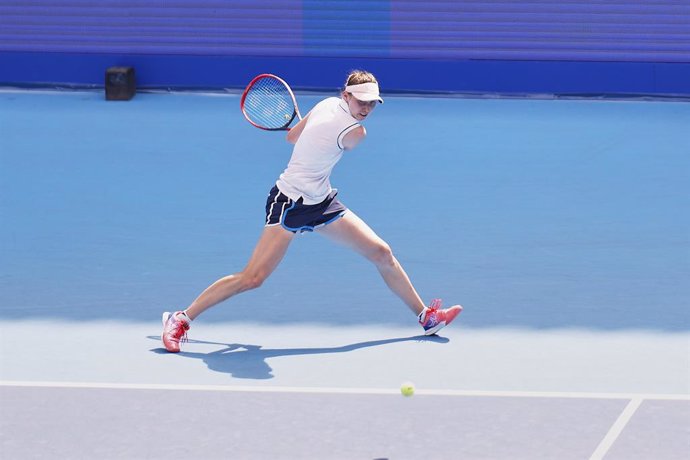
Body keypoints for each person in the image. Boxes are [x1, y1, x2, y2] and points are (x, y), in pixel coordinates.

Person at [161, 70, 462, 353]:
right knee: (252, 278)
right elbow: (319, 138)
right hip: (289, 203)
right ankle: (180, 319)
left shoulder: (326, 104)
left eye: (372, 103)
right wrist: (320, 133)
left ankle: (426, 317)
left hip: (320, 201)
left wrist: (315, 131)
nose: (367, 108)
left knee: (381, 253)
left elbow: (291, 137)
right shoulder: (356, 132)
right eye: (361, 101)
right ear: (346, 96)